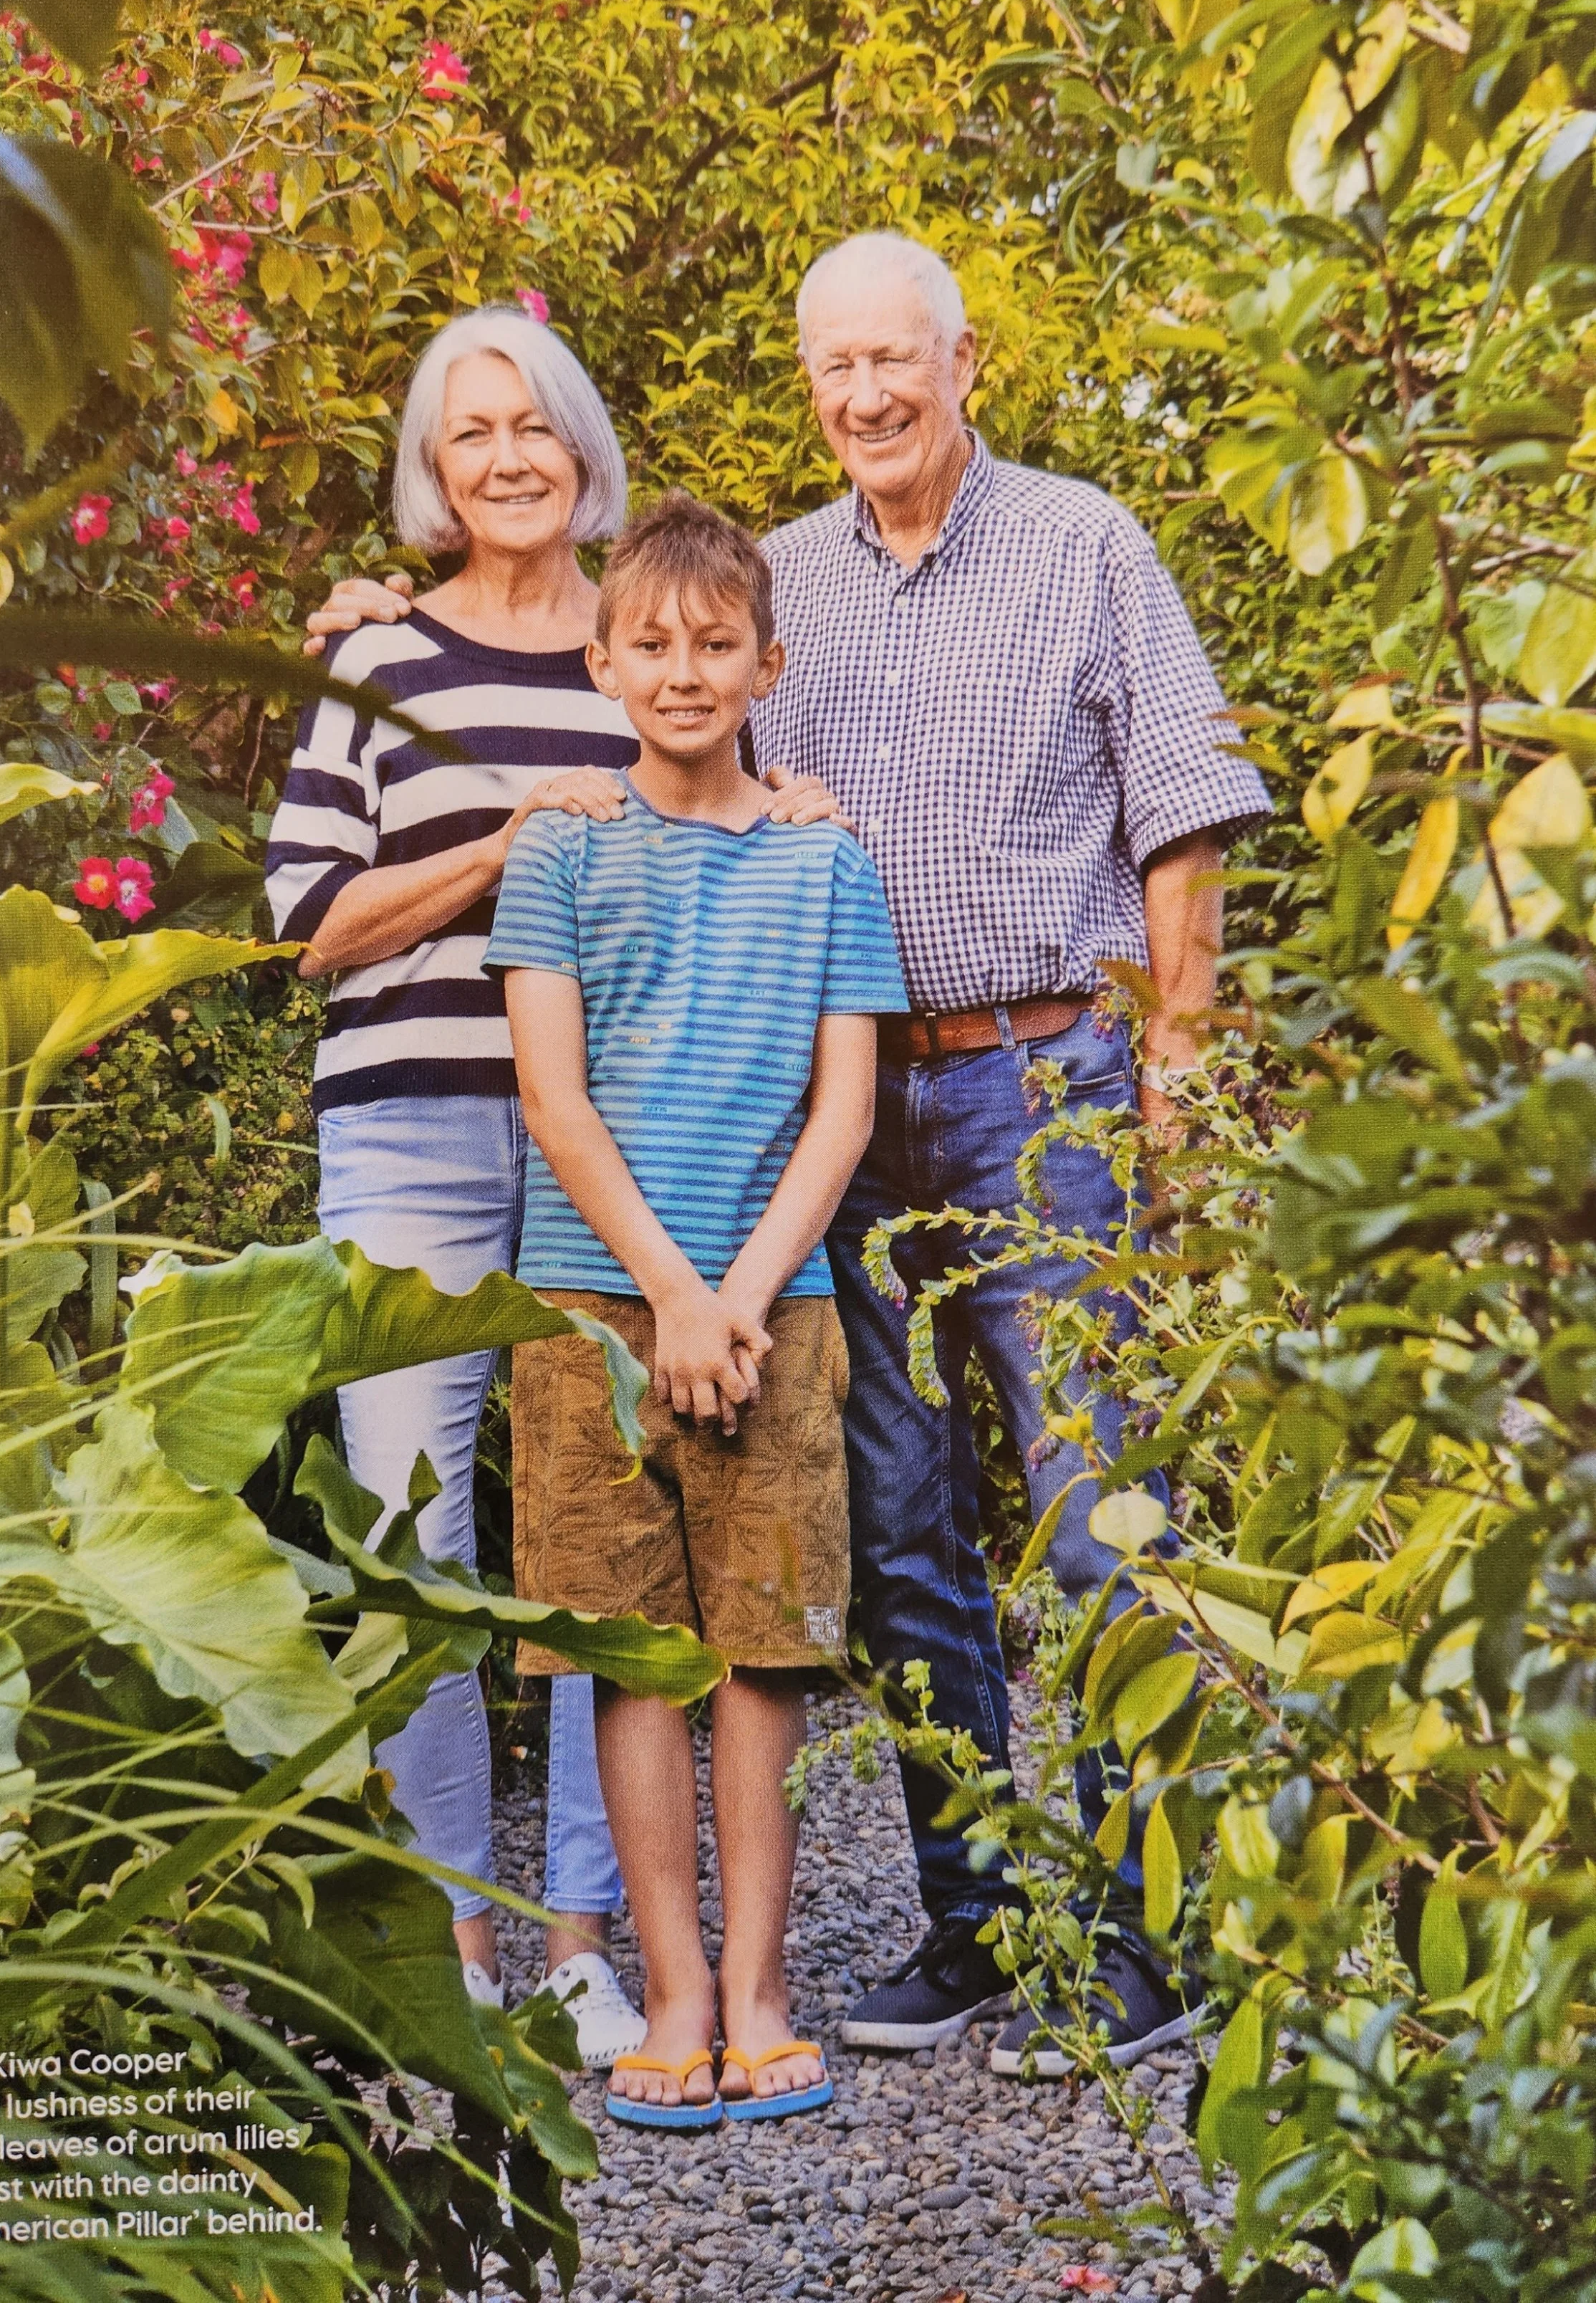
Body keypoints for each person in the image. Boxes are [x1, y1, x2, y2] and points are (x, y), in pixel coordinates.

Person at [306, 234, 1273, 2075]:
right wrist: (375, 606)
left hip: (1033, 1081)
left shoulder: (1082, 541)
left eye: (894, 360)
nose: (865, 396)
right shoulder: (789, 581)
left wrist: (1175, 1046)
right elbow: (627, 662)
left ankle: (1148, 1936)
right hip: (842, 1124)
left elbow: (1183, 791)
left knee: (1087, 1507)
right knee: (902, 1533)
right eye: (834, 368)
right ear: (811, 384)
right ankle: (980, 1918)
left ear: (961, 360)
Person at [486, 493, 911, 2129]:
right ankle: (667, 1990)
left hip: (771, 1302)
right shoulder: (561, 855)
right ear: (601, 663)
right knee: (633, 1652)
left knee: (763, 1651)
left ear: (764, 661)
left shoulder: (823, 859)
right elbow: (551, 1095)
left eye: (713, 645)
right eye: (649, 645)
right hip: (598, 1303)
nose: (682, 671)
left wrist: (734, 1296)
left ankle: (758, 1988)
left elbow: (842, 1112)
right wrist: (668, 1292)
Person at [264, 305, 648, 2065]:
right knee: (415, 1536)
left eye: (533, 426)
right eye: (468, 432)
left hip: (605, 1138)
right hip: (408, 1126)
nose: (505, 457)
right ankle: (450, 1937)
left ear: (579, 451)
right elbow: (303, 932)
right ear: (433, 471)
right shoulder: (375, 667)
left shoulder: (638, 653)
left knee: (590, 1537)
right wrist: (499, 849)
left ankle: (579, 1929)